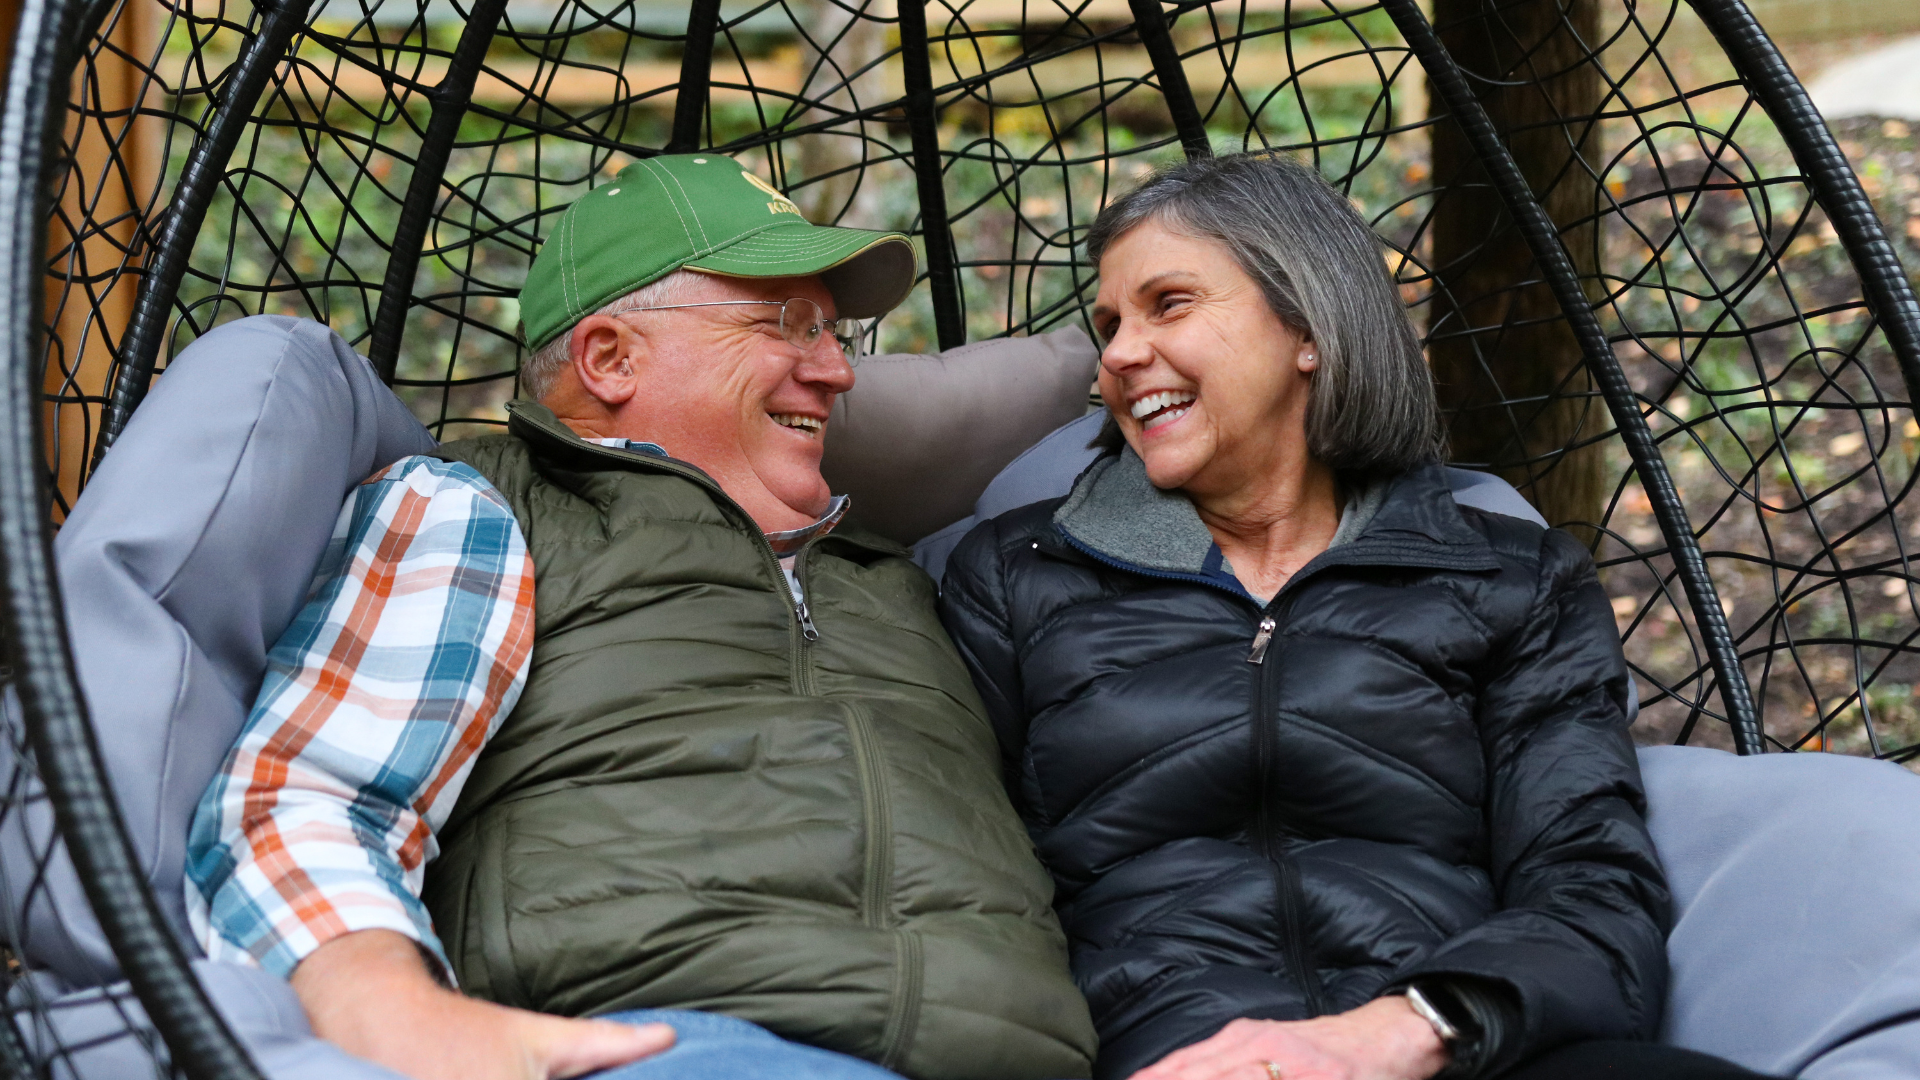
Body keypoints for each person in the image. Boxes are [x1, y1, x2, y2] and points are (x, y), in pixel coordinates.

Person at [185, 154, 1097, 1080]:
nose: (837, 371)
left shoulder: (909, 576)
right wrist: (406, 1025)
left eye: (834, 333)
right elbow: (308, 800)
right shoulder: (493, 508)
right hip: (685, 1043)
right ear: (611, 358)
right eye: (788, 322)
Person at [937, 154, 1773, 1080]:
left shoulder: (1512, 577)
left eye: (1168, 304)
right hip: (1171, 1051)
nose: (1121, 354)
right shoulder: (1017, 576)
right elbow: (965, 889)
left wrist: (1404, 1029)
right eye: (1110, 325)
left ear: (1309, 327)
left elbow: (1590, 884)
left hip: (1453, 1043)